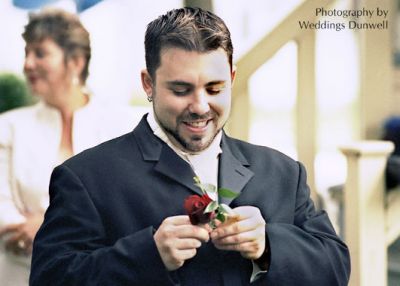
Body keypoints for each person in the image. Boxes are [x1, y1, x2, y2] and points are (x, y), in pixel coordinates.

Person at [30, 7, 350, 286]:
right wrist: (148, 255)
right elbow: (50, 279)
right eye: (181, 89)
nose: (200, 106)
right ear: (148, 84)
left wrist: (269, 246)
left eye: (214, 88)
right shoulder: (85, 178)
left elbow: (336, 268)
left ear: (232, 78)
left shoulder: (284, 173)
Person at [0, 9, 137, 286]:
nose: (27, 64)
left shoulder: (123, 124)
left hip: (99, 274)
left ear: (75, 61)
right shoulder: (8, 126)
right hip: (21, 274)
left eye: (39, 53)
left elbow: (125, 204)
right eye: (26, 52)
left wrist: (48, 227)